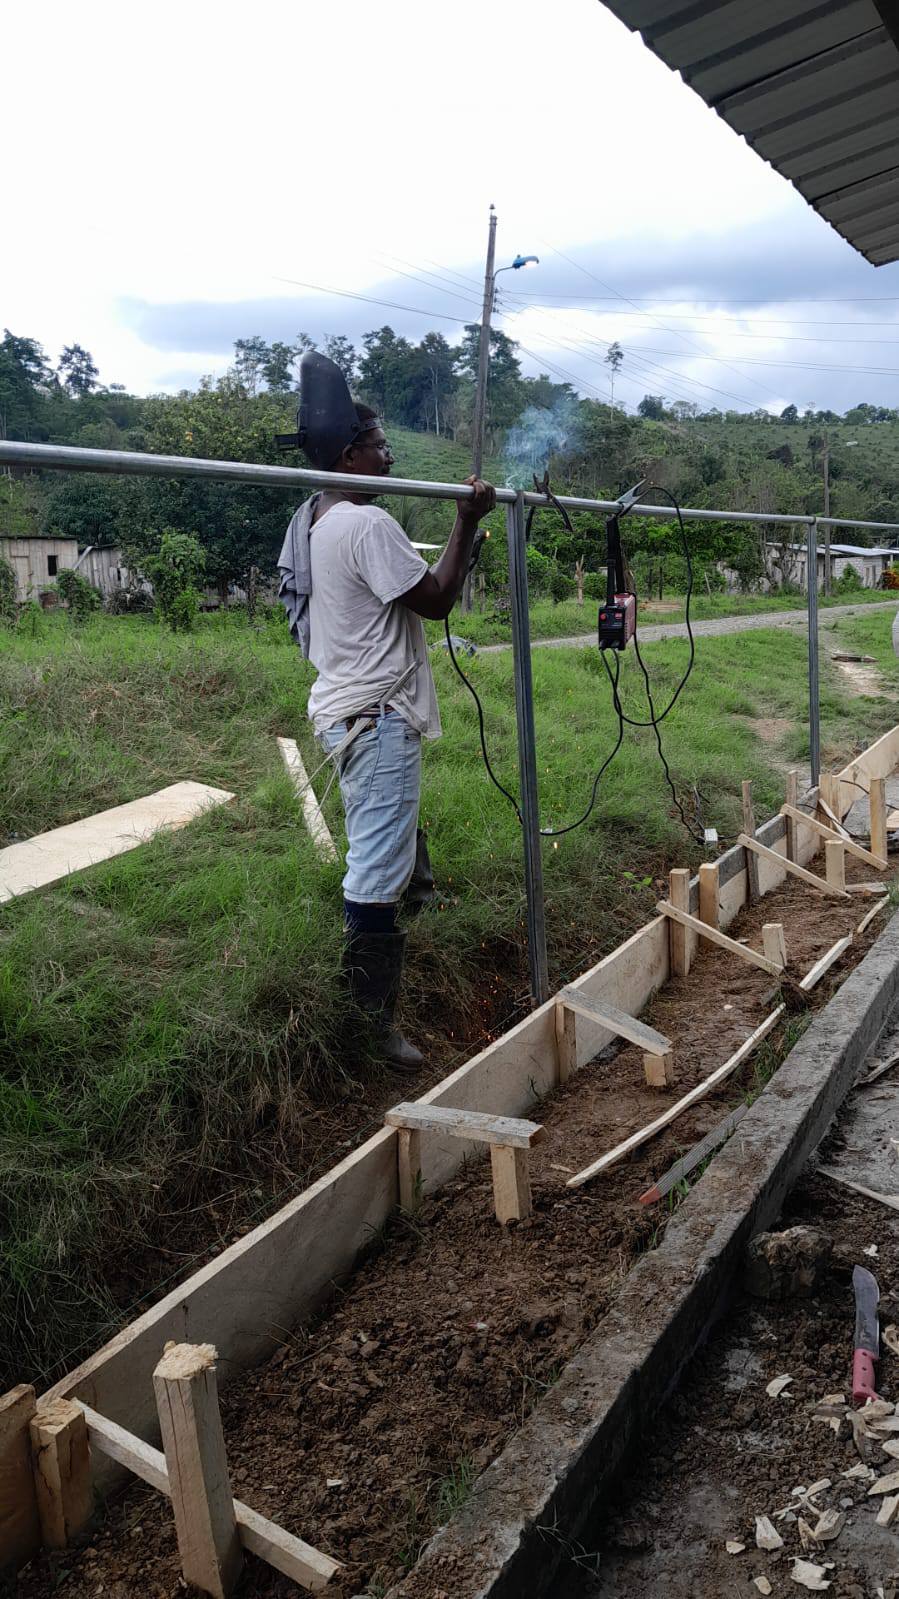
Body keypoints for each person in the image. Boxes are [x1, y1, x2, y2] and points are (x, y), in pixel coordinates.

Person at [278, 352, 495, 1069]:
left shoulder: (315, 518)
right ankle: (365, 1028)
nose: (390, 456)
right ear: (349, 455)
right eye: (379, 445)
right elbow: (434, 600)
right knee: (373, 869)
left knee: (383, 841)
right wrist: (465, 521)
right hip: (376, 717)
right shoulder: (366, 523)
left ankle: (414, 900)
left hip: (346, 712)